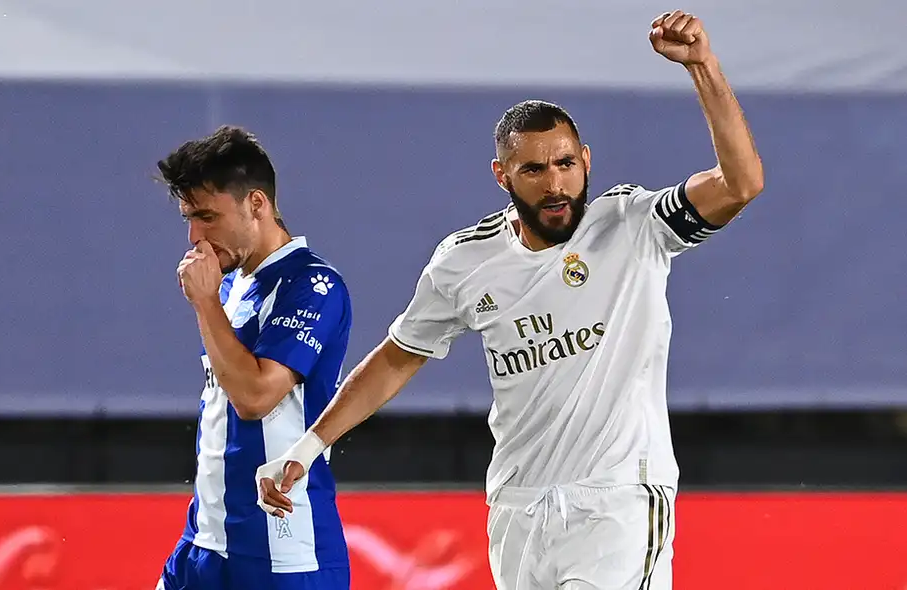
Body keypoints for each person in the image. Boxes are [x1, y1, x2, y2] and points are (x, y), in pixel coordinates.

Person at [257, 10, 764, 590]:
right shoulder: (465, 261)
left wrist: (703, 66)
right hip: (518, 510)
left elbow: (741, 183)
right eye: (534, 169)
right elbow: (399, 355)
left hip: (617, 502)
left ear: (586, 162)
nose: (555, 183)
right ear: (502, 175)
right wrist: (307, 446)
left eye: (566, 164)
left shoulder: (631, 224)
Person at [154, 125, 352, 590]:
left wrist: (204, 304)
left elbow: (256, 396)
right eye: (188, 217)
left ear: (256, 204)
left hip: (281, 555)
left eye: (207, 216)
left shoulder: (313, 286)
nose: (194, 235)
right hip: (205, 544)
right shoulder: (230, 286)